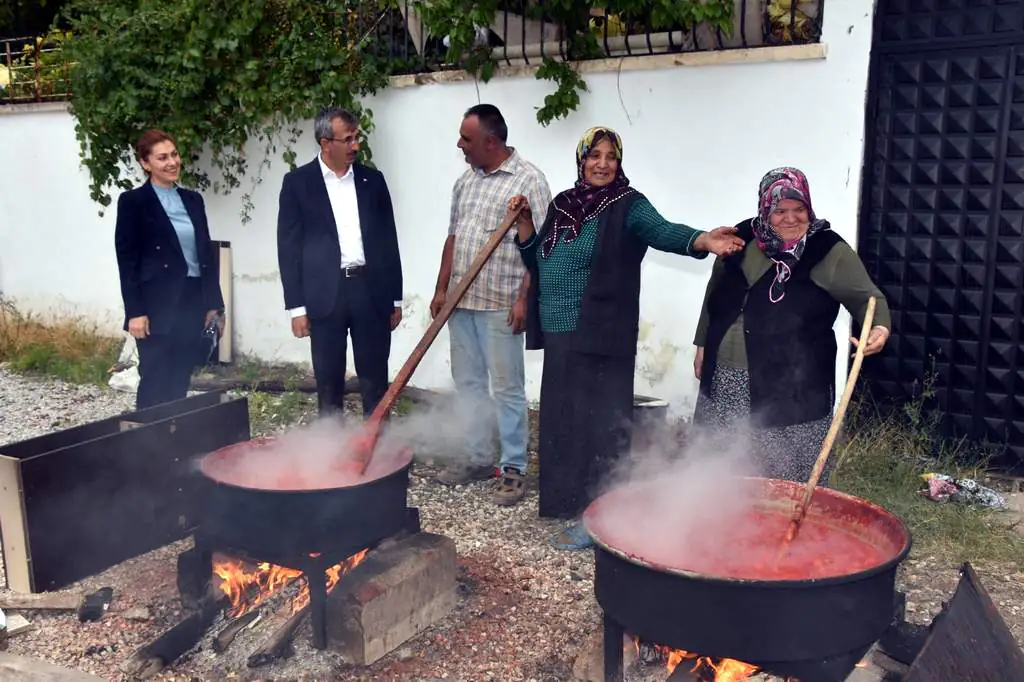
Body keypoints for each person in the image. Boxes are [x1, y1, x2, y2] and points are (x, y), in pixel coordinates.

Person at [509, 125, 745, 550]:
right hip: (562, 332)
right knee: (564, 420)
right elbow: (537, 257)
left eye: (610, 156)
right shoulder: (564, 205)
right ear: (581, 160)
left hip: (600, 331)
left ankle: (603, 512)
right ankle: (567, 503)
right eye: (594, 155)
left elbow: (662, 230)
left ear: (619, 162)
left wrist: (703, 240)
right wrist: (526, 224)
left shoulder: (628, 205)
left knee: (598, 425)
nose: (602, 164)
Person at [692, 166, 891, 485]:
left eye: (799, 210)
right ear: (764, 209)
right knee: (721, 469)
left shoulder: (828, 251)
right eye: (780, 210)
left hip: (792, 389)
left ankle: (787, 530)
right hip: (726, 377)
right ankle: (723, 528)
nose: (791, 218)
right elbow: (715, 292)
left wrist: (879, 328)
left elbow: (868, 299)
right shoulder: (741, 238)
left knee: (783, 475)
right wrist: (702, 342)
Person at [429, 104, 552, 507]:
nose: (460, 145)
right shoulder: (465, 182)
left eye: (467, 139)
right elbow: (452, 238)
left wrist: (523, 299)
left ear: (490, 142)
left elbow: (540, 249)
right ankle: (478, 457)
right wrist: (441, 288)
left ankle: (513, 467)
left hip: (501, 304)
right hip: (461, 304)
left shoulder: (529, 181)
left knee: (506, 389)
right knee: (468, 384)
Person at [277, 107, 403, 419]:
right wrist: (297, 308)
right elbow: (288, 249)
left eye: (356, 137)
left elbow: (388, 240)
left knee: (375, 379)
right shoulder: (298, 183)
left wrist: (395, 297)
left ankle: (376, 452)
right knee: (329, 382)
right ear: (325, 143)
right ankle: (331, 456)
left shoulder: (372, 181)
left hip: (370, 292)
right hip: (324, 297)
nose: (355, 146)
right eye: (347, 139)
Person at [114, 129, 225, 411]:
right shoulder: (133, 203)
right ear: (145, 163)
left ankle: (175, 444)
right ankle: (146, 447)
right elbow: (127, 261)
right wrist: (135, 312)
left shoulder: (193, 200)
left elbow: (205, 255)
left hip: (192, 299)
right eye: (162, 158)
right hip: (155, 304)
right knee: (154, 378)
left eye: (174, 154)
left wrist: (215, 304)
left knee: (180, 377)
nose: (172, 162)